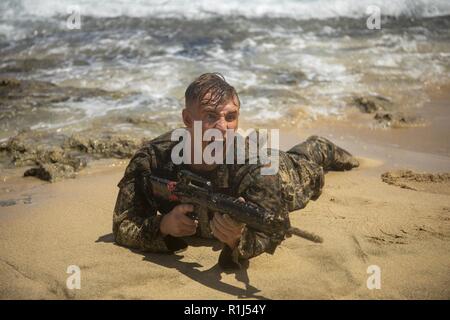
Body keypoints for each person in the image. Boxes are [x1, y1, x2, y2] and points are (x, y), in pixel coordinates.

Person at [112, 73, 359, 269]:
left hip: (281, 175)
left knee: (306, 162)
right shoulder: (153, 158)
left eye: (230, 117)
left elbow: (271, 234)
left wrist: (237, 241)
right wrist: (163, 225)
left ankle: (321, 146)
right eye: (210, 116)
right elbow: (123, 224)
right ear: (187, 119)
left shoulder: (260, 167)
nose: (222, 127)